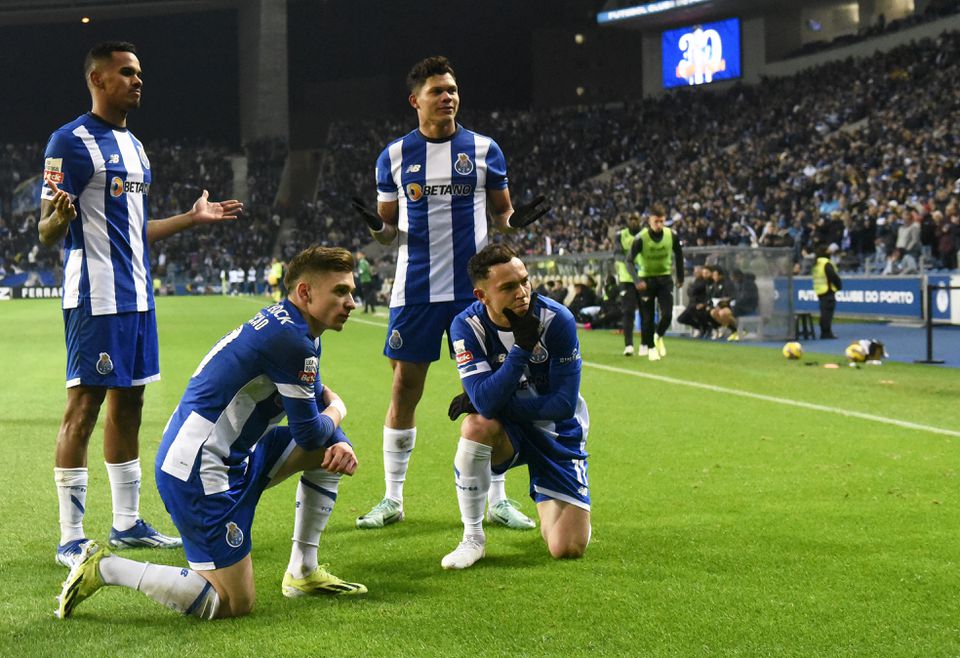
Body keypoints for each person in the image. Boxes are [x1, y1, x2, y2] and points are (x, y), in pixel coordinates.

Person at [56, 246, 366, 620]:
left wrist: (341, 440)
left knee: (326, 452)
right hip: (199, 470)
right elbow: (312, 428)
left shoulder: (299, 330)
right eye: (340, 292)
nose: (351, 302)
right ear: (305, 292)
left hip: (231, 454)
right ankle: (104, 567)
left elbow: (315, 412)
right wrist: (340, 410)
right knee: (234, 602)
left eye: (350, 291)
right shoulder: (292, 341)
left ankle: (302, 571)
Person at [38, 41, 243, 568]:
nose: (137, 80)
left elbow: (136, 230)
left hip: (137, 296)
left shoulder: (136, 148)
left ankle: (127, 523)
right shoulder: (69, 142)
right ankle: (70, 535)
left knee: (130, 405)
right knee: (84, 408)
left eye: (139, 73)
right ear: (98, 80)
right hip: (95, 296)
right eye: (126, 72)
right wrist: (59, 216)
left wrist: (191, 219)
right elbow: (46, 229)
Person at [350, 56, 548, 530]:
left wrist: (517, 220)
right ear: (415, 100)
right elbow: (389, 230)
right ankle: (393, 499)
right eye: (438, 91)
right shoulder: (394, 156)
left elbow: (503, 216)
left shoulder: (484, 150)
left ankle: (498, 499)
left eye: (453, 89)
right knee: (404, 388)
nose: (448, 97)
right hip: (415, 288)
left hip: (475, 291)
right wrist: (377, 228)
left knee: (494, 388)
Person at [442, 244, 590, 569]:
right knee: (476, 425)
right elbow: (484, 404)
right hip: (508, 435)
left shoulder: (557, 320)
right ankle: (473, 538)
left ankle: (545, 490)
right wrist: (521, 349)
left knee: (567, 548)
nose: (522, 292)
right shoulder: (467, 326)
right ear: (482, 296)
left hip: (557, 435)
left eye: (525, 281)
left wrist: (492, 402)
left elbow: (564, 405)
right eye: (508, 287)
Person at [628, 203, 684, 361]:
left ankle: (657, 336)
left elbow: (679, 255)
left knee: (667, 314)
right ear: (649, 220)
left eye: (662, 221)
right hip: (646, 281)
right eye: (656, 221)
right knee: (648, 316)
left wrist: (680, 277)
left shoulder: (671, 235)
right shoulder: (641, 238)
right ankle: (651, 348)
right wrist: (637, 280)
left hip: (665, 279)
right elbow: (629, 261)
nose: (659, 225)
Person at [615, 212, 644, 355]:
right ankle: (629, 345)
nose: (633, 222)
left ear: (640, 221)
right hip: (626, 278)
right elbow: (617, 254)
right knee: (628, 311)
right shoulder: (621, 234)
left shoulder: (645, 235)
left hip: (644, 276)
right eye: (631, 219)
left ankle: (646, 343)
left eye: (636, 219)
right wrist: (628, 260)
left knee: (646, 312)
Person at [813, 245, 843, 339]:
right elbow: (832, 276)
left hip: (820, 290)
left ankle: (824, 331)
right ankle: (826, 333)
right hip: (828, 290)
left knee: (823, 312)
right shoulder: (826, 263)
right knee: (827, 314)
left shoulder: (816, 263)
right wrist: (838, 285)